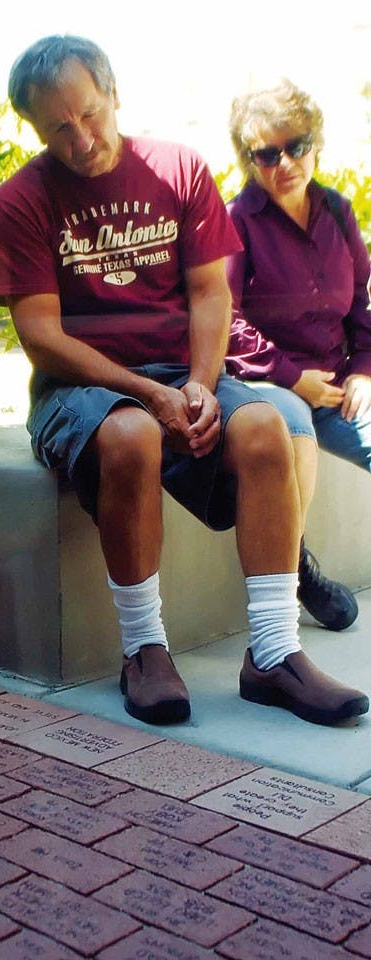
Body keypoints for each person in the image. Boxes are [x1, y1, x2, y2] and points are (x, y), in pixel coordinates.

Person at [0, 36, 368, 727]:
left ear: (113, 95)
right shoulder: (20, 201)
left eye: (91, 114)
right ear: (34, 129)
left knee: (264, 427)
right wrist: (151, 393)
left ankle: (275, 655)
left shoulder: (177, 169)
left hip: (179, 369)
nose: (81, 139)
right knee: (131, 434)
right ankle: (145, 651)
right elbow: (42, 336)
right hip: (79, 386)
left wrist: (197, 380)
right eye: (58, 128)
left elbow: (210, 296)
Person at [225, 79, 371, 632]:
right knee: (294, 437)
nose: (283, 162)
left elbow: (361, 302)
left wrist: (364, 370)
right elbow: (227, 320)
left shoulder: (337, 211)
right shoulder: (236, 221)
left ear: (316, 143)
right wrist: (291, 377)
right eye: (266, 153)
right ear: (249, 158)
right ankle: (294, 571)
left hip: (338, 383)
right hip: (266, 382)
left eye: (296, 145)